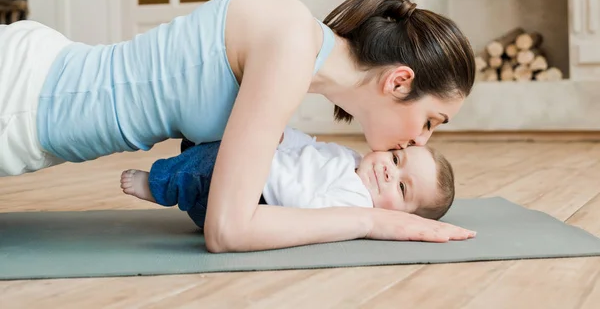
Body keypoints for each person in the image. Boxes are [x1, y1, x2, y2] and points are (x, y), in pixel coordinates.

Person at [0, 0, 476, 251]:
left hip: (38, 78)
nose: (419, 141)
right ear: (398, 82)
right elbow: (228, 230)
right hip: (20, 101)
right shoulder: (292, 46)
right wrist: (373, 222)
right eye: (431, 121)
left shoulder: (299, 42)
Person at [120, 126, 456, 229]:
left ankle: (159, 185)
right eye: (396, 159)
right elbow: (310, 146)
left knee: (215, 162)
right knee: (216, 138)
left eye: (401, 186)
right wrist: (279, 135)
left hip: (252, 198)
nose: (388, 170)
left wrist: (263, 163)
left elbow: (304, 205)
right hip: (257, 169)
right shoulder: (352, 159)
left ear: (396, 216)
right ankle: (186, 156)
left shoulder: (355, 201)